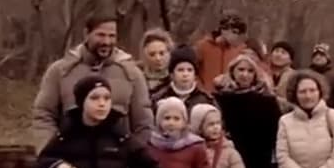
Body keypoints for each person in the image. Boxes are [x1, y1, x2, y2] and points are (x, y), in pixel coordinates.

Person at [32, 14, 154, 148]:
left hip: (117, 161)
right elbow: (44, 115)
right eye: (100, 35)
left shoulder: (131, 73)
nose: (106, 42)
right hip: (70, 159)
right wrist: (49, 154)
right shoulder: (61, 71)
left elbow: (143, 123)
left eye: (112, 36)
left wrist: (136, 156)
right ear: (86, 34)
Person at [193, 12, 253, 95]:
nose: (237, 37)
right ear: (224, 30)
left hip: (230, 97)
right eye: (235, 32)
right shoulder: (203, 46)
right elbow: (192, 70)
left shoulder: (241, 50)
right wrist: (201, 89)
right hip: (206, 97)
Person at [153, 45, 215, 112]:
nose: (185, 74)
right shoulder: (159, 98)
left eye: (190, 70)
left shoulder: (207, 100)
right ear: (172, 74)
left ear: (195, 75)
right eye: (180, 70)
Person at [308, 43, 334, 112]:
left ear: (327, 58)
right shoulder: (305, 74)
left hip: (328, 112)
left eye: (321, 55)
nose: (318, 57)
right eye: (315, 56)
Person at [139, 29, 174, 93]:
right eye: (152, 54)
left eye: (162, 53)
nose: (158, 58)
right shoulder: (138, 78)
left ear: (169, 52)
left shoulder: (177, 77)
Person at [268, 40, 297, 107]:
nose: (278, 55)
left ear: (290, 60)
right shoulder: (263, 73)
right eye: (276, 51)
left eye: (283, 53)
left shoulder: (294, 77)